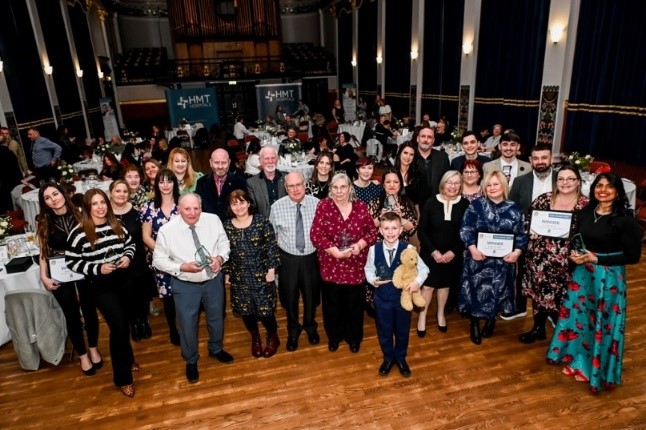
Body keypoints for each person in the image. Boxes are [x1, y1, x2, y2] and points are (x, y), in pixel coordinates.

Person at [546, 173, 641, 393]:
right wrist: (574, 254)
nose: (603, 190)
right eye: (599, 186)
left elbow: (632, 256)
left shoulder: (625, 219)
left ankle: (593, 369)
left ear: (618, 191)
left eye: (609, 186)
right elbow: (576, 240)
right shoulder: (586, 212)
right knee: (580, 319)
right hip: (583, 274)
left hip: (607, 279)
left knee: (600, 322)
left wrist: (597, 258)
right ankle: (577, 359)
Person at [153, 193, 234, 383]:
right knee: (187, 325)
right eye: (187, 209)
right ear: (179, 209)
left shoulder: (213, 220)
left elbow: (224, 243)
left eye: (196, 208)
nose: (192, 213)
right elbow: (158, 260)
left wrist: (220, 258)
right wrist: (181, 267)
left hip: (213, 280)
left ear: (201, 206)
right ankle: (190, 360)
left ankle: (216, 349)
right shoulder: (167, 230)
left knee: (216, 317)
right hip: (185, 284)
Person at [66, 189, 138, 397]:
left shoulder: (116, 224)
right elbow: (72, 261)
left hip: (123, 280)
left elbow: (130, 244)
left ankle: (128, 358)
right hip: (100, 286)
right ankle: (123, 378)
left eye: (102, 202)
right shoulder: (79, 232)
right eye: (95, 204)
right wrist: (97, 268)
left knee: (125, 323)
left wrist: (127, 257)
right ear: (87, 208)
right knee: (118, 326)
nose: (100, 207)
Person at [36, 182, 102, 376]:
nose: (53, 199)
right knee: (71, 314)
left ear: (63, 194)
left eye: (55, 194)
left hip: (83, 268)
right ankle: (82, 355)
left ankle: (93, 348)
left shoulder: (81, 213)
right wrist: (43, 276)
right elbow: (43, 252)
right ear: (44, 202)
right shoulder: (43, 221)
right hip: (59, 271)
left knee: (90, 311)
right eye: (47, 198)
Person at [519, 164, 589, 344]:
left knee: (564, 299)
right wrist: (531, 230)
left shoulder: (585, 206)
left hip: (568, 263)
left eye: (570, 179)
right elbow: (527, 220)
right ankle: (538, 328)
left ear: (578, 182)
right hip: (540, 260)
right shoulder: (544, 199)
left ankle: (562, 336)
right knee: (539, 294)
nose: (565, 182)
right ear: (555, 181)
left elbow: (589, 234)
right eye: (561, 179)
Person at [310, 173, 378, 353]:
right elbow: (316, 235)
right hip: (331, 264)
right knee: (332, 305)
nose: (339, 191)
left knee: (354, 305)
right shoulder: (323, 206)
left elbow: (372, 232)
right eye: (335, 187)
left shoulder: (361, 207)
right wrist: (334, 252)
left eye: (343, 187)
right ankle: (334, 336)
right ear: (331, 189)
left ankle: (353, 337)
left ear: (350, 188)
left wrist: (360, 244)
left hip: (355, 265)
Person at [459, 171, 528, 345]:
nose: (492, 188)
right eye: (488, 185)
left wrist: (516, 253)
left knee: (499, 291)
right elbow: (465, 229)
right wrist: (472, 249)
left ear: (503, 186)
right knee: (476, 291)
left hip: (504, 262)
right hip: (478, 260)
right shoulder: (476, 206)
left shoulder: (514, 209)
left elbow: (522, 234)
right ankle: (474, 323)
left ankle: (491, 320)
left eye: (496, 184)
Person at [365, 212, 429, 377]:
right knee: (384, 330)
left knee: (402, 330)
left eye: (394, 228)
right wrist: (372, 280)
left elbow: (424, 269)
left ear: (401, 230)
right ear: (380, 230)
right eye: (386, 228)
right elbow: (368, 268)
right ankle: (388, 357)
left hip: (402, 299)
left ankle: (400, 357)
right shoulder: (374, 249)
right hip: (382, 298)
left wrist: (417, 282)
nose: (390, 232)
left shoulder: (408, 249)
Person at [224, 190, 281, 357]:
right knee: (246, 311)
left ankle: (273, 336)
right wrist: (227, 272)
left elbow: (272, 247)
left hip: (262, 275)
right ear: (230, 207)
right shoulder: (226, 226)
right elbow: (224, 251)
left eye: (242, 202)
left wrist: (271, 270)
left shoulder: (261, 222)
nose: (239, 206)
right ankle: (255, 336)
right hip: (239, 277)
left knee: (266, 311)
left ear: (249, 203)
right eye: (234, 203)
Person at [270, 172, 321, 351]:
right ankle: (293, 331)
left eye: (298, 184)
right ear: (285, 188)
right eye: (291, 186)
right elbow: (272, 237)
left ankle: (310, 325)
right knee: (289, 298)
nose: (295, 189)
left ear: (305, 184)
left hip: (311, 258)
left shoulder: (317, 204)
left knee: (311, 296)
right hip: (288, 260)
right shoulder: (276, 207)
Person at [505, 142, 557, 320]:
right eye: (536, 158)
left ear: (552, 159)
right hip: (527, 237)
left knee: (552, 274)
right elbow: (511, 209)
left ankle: (550, 310)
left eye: (544, 157)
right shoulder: (520, 181)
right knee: (522, 273)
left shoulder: (561, 180)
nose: (540, 161)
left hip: (556, 240)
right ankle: (520, 307)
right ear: (530, 160)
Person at [417, 171, 470, 337]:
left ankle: (440, 314)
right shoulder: (431, 203)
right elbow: (422, 231)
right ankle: (422, 316)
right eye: (449, 182)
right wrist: (433, 252)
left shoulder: (465, 204)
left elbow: (466, 232)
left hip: (452, 255)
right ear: (443, 184)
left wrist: (453, 252)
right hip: (431, 253)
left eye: (456, 183)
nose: (452, 186)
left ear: (460, 186)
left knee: (445, 286)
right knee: (428, 286)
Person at [139, 169, 181, 346]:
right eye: (161, 181)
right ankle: (173, 329)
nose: (165, 185)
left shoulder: (182, 204)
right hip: (162, 260)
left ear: (174, 183)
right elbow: (146, 237)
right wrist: (164, 253)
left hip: (182, 257)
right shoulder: (149, 207)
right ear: (156, 184)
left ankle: (186, 326)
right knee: (168, 298)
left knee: (185, 295)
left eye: (169, 181)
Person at [109, 180, 154, 342]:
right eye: (118, 191)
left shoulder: (137, 212)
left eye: (124, 191)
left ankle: (143, 320)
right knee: (125, 295)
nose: (121, 194)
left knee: (141, 293)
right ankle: (133, 322)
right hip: (117, 263)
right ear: (111, 193)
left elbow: (144, 236)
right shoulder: (105, 214)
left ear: (129, 194)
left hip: (138, 261)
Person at [368, 169, 418, 242]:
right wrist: (380, 217)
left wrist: (401, 219)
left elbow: (412, 229)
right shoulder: (374, 202)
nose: (392, 185)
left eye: (396, 182)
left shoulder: (407, 203)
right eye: (388, 182)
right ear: (383, 185)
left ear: (400, 185)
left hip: (401, 244)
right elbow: (368, 227)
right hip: (379, 244)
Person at [196, 148, 246, 220]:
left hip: (233, 226)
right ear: (210, 162)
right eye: (216, 163)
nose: (220, 166)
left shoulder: (240, 182)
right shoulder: (201, 182)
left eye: (224, 162)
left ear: (229, 162)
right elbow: (199, 208)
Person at [414, 125, 450, 207]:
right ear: (417, 139)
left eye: (429, 137)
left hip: (437, 205)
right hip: (414, 205)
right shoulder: (410, 156)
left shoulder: (442, 157)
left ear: (433, 140)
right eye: (423, 136)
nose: (426, 140)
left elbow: (447, 180)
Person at [246, 146, 286, 217]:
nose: (270, 161)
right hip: (263, 223)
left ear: (277, 159)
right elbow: (252, 209)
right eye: (266, 158)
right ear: (260, 160)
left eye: (273, 158)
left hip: (285, 220)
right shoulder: (252, 183)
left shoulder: (286, 178)